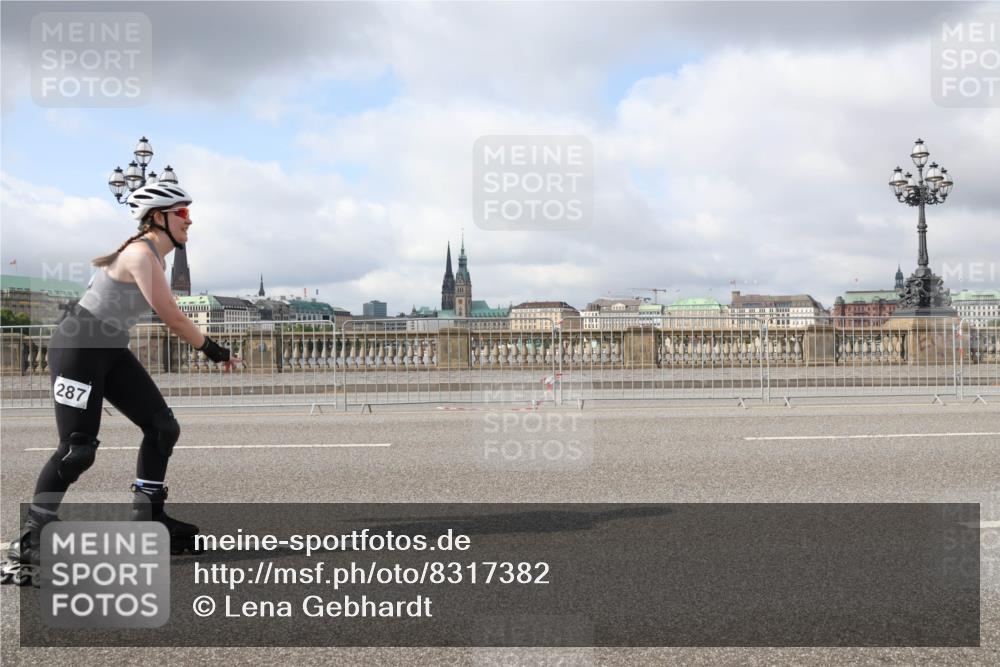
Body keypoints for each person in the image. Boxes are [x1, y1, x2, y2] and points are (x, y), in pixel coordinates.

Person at [0, 182, 236, 586]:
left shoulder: (151, 257)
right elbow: (172, 316)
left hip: (108, 347)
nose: (190, 220)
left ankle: (148, 519)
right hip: (79, 345)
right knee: (77, 448)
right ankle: (29, 540)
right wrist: (216, 350)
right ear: (158, 217)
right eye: (182, 213)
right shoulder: (140, 255)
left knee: (162, 427)